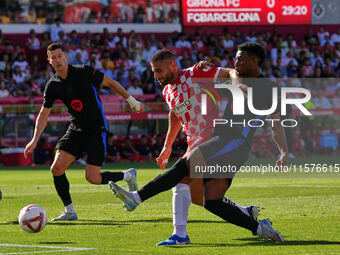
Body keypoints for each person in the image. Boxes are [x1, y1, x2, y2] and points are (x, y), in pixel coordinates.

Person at [109, 43, 287, 244]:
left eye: (241, 59)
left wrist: (283, 152)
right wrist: (167, 145)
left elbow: (276, 121)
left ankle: (143, 203)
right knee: (208, 201)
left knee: (183, 173)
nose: (236, 63)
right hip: (218, 141)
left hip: (229, 141)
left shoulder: (264, 87)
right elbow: (176, 112)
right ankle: (259, 226)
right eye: (236, 59)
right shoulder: (170, 90)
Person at [24, 42, 144, 221]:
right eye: (53, 58)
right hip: (76, 129)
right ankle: (70, 211)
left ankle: (128, 175)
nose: (58, 60)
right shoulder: (53, 85)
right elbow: (43, 113)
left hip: (97, 129)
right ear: (49, 61)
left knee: (93, 178)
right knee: (56, 169)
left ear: (65, 56)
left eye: (60, 56)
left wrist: (131, 100)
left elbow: (110, 82)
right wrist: (34, 140)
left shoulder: (84, 71)